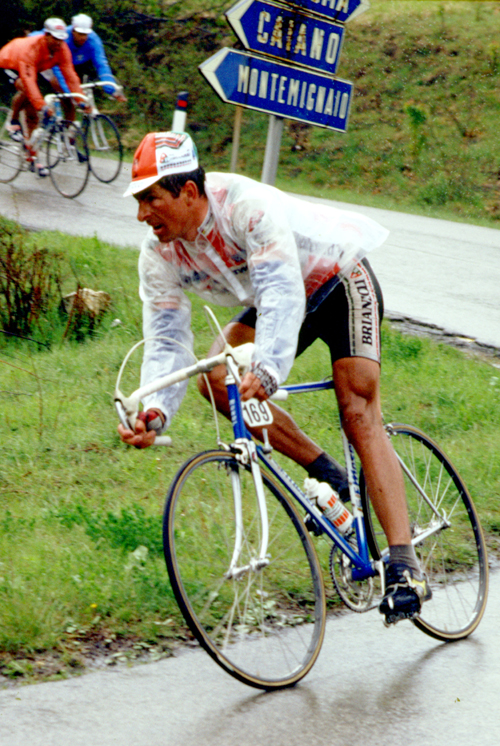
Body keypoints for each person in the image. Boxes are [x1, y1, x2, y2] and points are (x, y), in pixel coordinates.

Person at [118, 131, 432, 625]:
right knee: (215, 376)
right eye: (138, 201)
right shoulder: (157, 254)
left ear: (189, 193)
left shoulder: (247, 207)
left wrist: (268, 368)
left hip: (336, 279)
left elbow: (283, 290)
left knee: (356, 409)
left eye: (151, 199)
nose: (142, 214)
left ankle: (403, 564)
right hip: (272, 297)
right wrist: (155, 412)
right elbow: (166, 342)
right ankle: (326, 471)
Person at [0, 18, 85, 175]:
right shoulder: (32, 48)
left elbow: (70, 75)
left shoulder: (62, 49)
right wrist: (42, 105)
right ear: (46, 35)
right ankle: (12, 120)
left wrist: (80, 99)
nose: (58, 43)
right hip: (8, 62)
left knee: (33, 116)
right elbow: (29, 81)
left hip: (31, 68)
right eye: (55, 38)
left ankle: (32, 157)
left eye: (61, 39)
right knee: (27, 90)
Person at [34, 13, 126, 119]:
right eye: (80, 34)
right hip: (50, 61)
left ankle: (69, 128)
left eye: (86, 34)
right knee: (61, 86)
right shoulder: (63, 40)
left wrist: (111, 89)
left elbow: (101, 64)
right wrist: (73, 95)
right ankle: (55, 116)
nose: (83, 37)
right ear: (73, 31)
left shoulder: (93, 40)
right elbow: (59, 71)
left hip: (70, 64)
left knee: (75, 90)